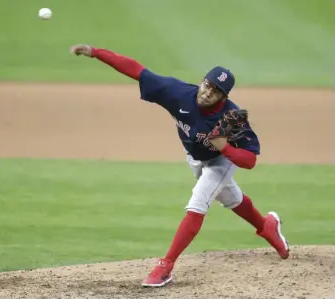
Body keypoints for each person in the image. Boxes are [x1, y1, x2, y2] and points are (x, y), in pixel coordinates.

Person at [70, 44, 290, 288]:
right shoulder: (177, 93)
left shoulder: (231, 118)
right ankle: (266, 226)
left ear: (224, 98)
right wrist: (95, 52)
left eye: (216, 91)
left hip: (222, 161)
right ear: (202, 81)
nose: (208, 93)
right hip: (195, 157)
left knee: (199, 200)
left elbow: (250, 160)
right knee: (230, 197)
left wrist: (225, 148)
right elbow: (137, 70)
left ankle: (165, 266)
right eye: (208, 85)